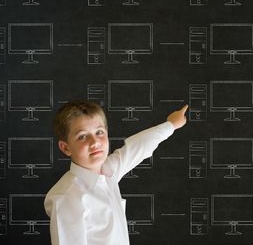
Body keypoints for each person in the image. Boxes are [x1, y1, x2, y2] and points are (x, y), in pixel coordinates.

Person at [44, 100, 188, 245]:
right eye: (82, 136)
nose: (94, 142)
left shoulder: (108, 171)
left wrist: (171, 125)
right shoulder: (67, 198)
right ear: (66, 148)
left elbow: (137, 148)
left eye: (99, 132)